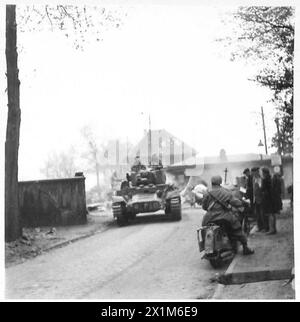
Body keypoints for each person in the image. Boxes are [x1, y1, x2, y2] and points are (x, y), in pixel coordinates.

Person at [202, 175, 254, 255]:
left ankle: (207, 247)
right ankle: (245, 247)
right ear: (220, 182)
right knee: (237, 228)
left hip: (209, 217)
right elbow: (235, 202)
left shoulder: (207, 193)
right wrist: (242, 204)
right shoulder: (225, 191)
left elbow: (204, 207)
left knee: (204, 229)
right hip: (224, 216)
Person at [252, 167, 267, 232]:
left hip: (261, 199)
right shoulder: (254, 179)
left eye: (254, 172)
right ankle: (260, 227)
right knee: (257, 214)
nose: (253, 174)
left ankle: (265, 227)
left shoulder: (261, 179)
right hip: (255, 199)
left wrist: (260, 197)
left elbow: (261, 189)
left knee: (262, 214)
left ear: (257, 172)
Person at [261, 167, 275, 234]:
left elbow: (263, 189)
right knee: (272, 214)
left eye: (262, 172)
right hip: (271, 198)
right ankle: (273, 229)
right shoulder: (270, 178)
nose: (262, 174)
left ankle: (271, 230)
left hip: (267, 198)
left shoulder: (265, 179)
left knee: (270, 214)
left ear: (264, 173)